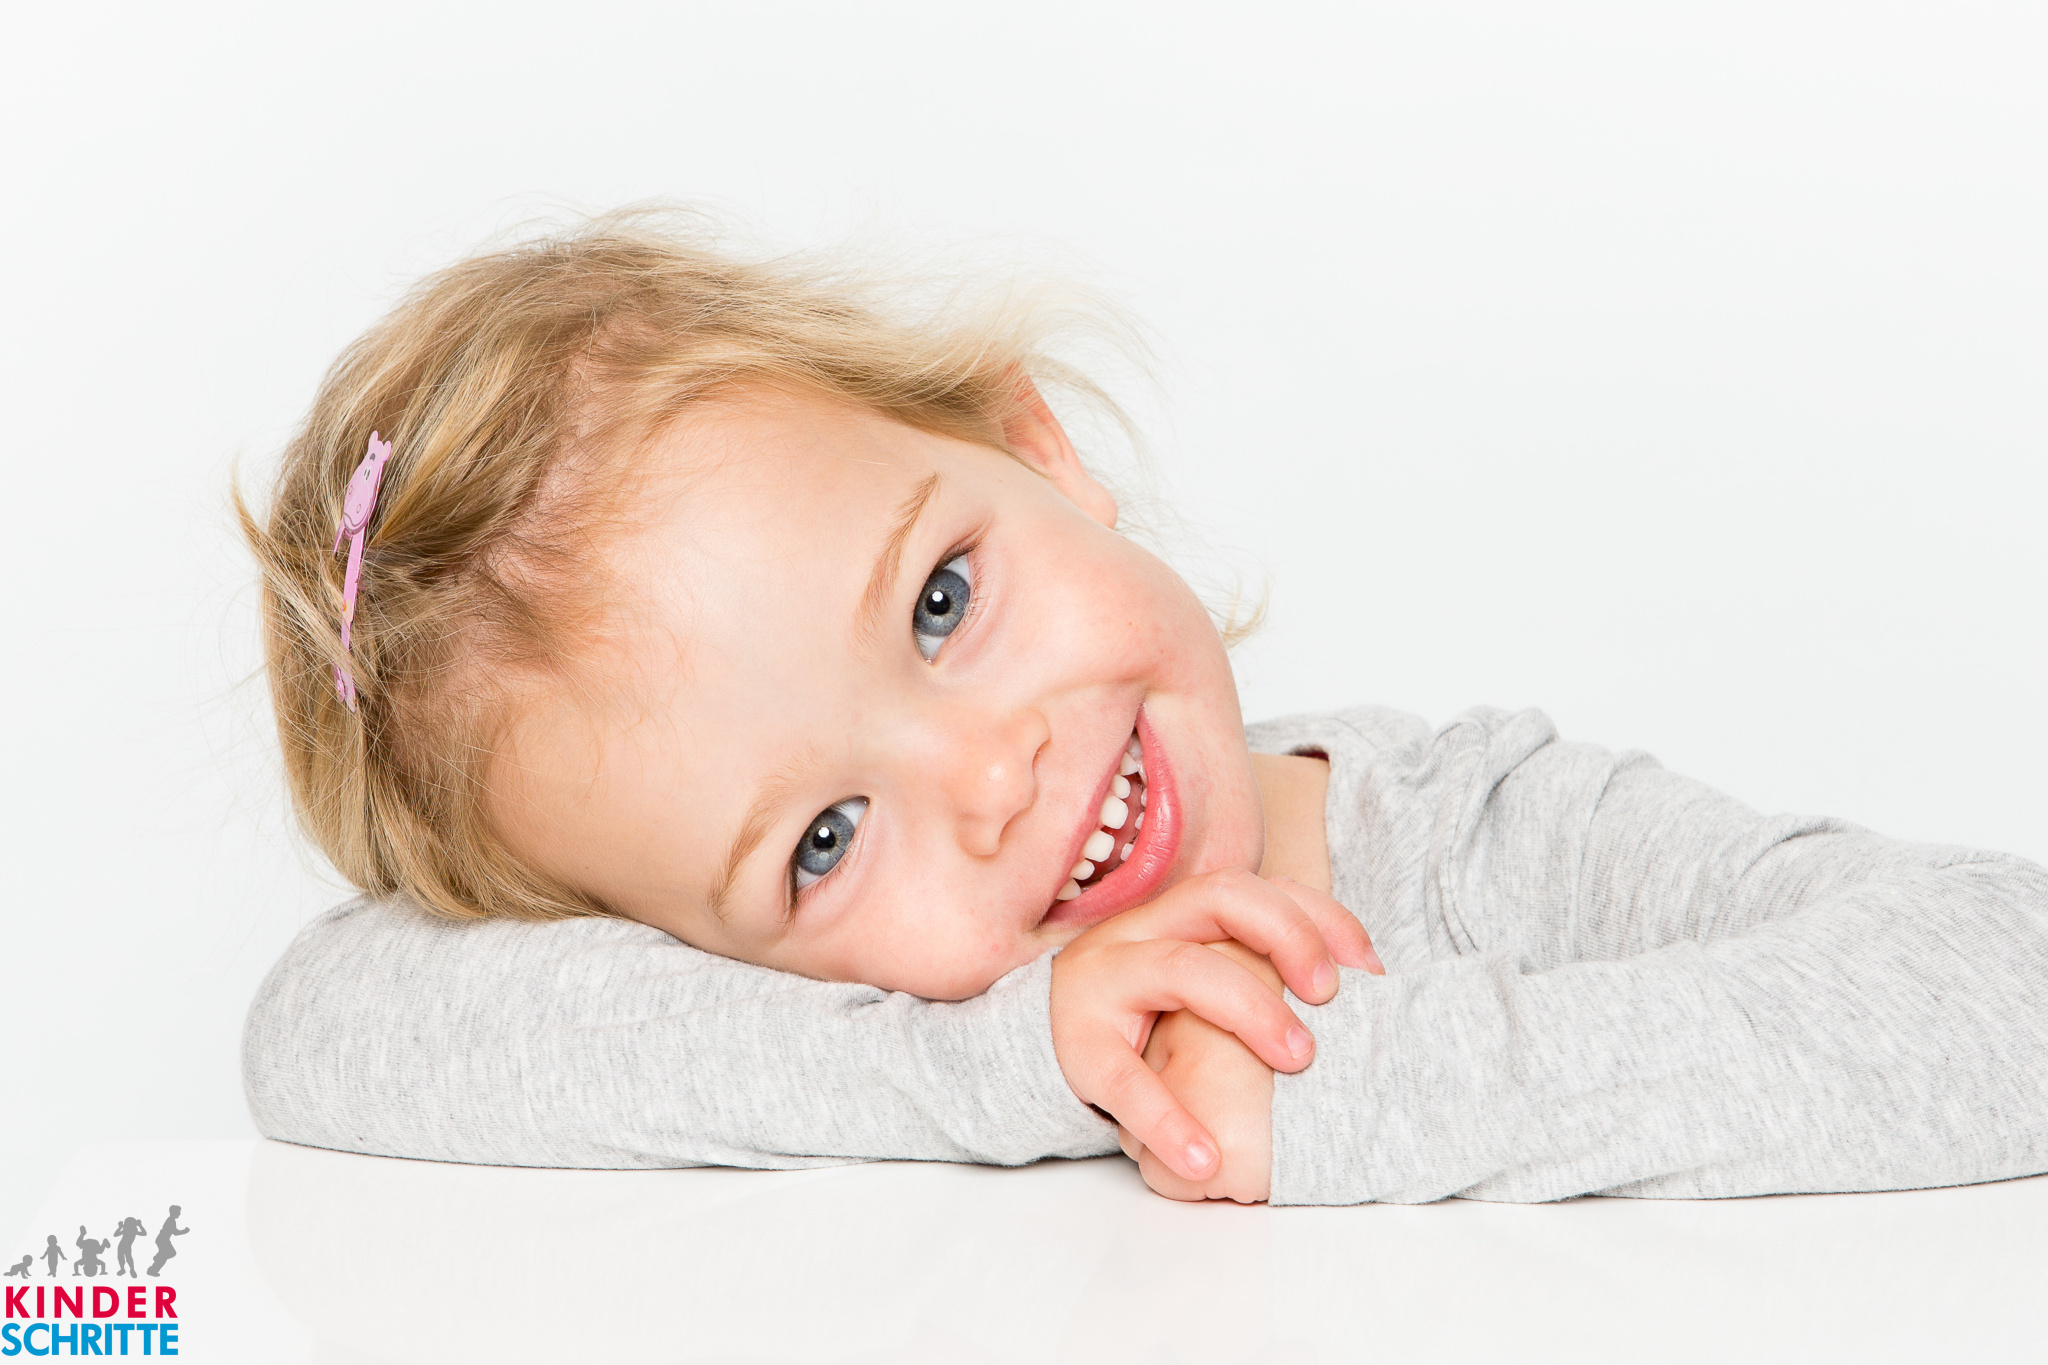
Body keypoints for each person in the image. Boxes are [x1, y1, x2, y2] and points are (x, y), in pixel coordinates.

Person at [240, 212, 2048, 1205]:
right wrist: (994, 1063)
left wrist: (1331, 1092)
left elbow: (2005, 972)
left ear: (1035, 448)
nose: (989, 780)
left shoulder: (1484, 842)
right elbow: (326, 1024)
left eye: (941, 602)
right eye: (823, 840)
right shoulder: (895, 1026)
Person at [147, 1207, 186, 1277]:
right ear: (174, 1212)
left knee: (166, 1255)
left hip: (163, 1240)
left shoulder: (171, 1220)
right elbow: (175, 1232)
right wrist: (184, 1231)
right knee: (169, 1254)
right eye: (178, 1212)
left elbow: (174, 1232)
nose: (180, 1214)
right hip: (162, 1240)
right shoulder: (171, 1220)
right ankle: (153, 1268)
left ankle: (156, 1261)